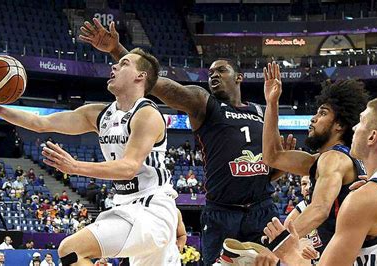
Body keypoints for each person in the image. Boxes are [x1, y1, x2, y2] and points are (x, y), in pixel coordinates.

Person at [80, 20, 295, 264]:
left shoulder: (260, 110)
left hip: (261, 208)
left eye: (221, 70)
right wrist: (118, 51)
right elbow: (159, 85)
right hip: (222, 211)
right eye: (211, 72)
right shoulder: (204, 104)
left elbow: (268, 172)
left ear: (239, 77)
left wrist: (280, 165)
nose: (214, 75)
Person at [0, 48, 179, 265]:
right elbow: (41, 123)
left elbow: (128, 167)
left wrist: (74, 167)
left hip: (152, 210)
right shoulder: (100, 115)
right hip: (127, 205)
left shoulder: (147, 114)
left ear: (141, 76)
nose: (114, 66)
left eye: (124, 63)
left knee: (70, 250)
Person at [220, 63, 369, 263]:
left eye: (322, 113)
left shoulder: (334, 159)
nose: (313, 119)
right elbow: (272, 157)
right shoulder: (324, 160)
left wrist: (276, 245)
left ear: (340, 125)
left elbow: (319, 209)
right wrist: (271, 103)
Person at [254, 97, 377, 266]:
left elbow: (319, 209)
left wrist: (286, 251)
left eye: (360, 122)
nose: (354, 128)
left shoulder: (366, 195)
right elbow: (272, 157)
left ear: (372, 137)